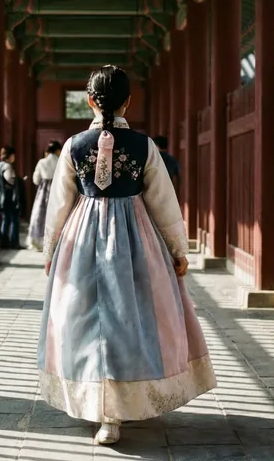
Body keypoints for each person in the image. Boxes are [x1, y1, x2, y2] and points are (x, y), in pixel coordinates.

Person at [37, 65, 216, 445]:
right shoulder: (144, 145)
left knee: (85, 322)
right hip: (135, 239)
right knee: (130, 319)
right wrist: (176, 250)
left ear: (89, 100)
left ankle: (103, 411)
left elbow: (60, 204)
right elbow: (163, 202)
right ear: (128, 101)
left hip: (82, 239)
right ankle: (122, 405)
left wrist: (51, 249)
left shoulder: (72, 146)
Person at [27, 140, 62, 251]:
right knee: (57, 215)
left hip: (43, 191)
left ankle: (39, 242)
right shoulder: (60, 161)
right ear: (57, 150)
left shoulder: (42, 162)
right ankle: (56, 242)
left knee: (40, 215)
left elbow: (36, 180)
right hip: (57, 189)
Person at [0, 146, 24, 249]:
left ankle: (4, 242)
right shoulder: (7, 167)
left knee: (5, 219)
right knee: (14, 219)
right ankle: (14, 243)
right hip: (9, 197)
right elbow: (10, 180)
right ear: (9, 156)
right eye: (13, 155)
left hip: (1, 197)